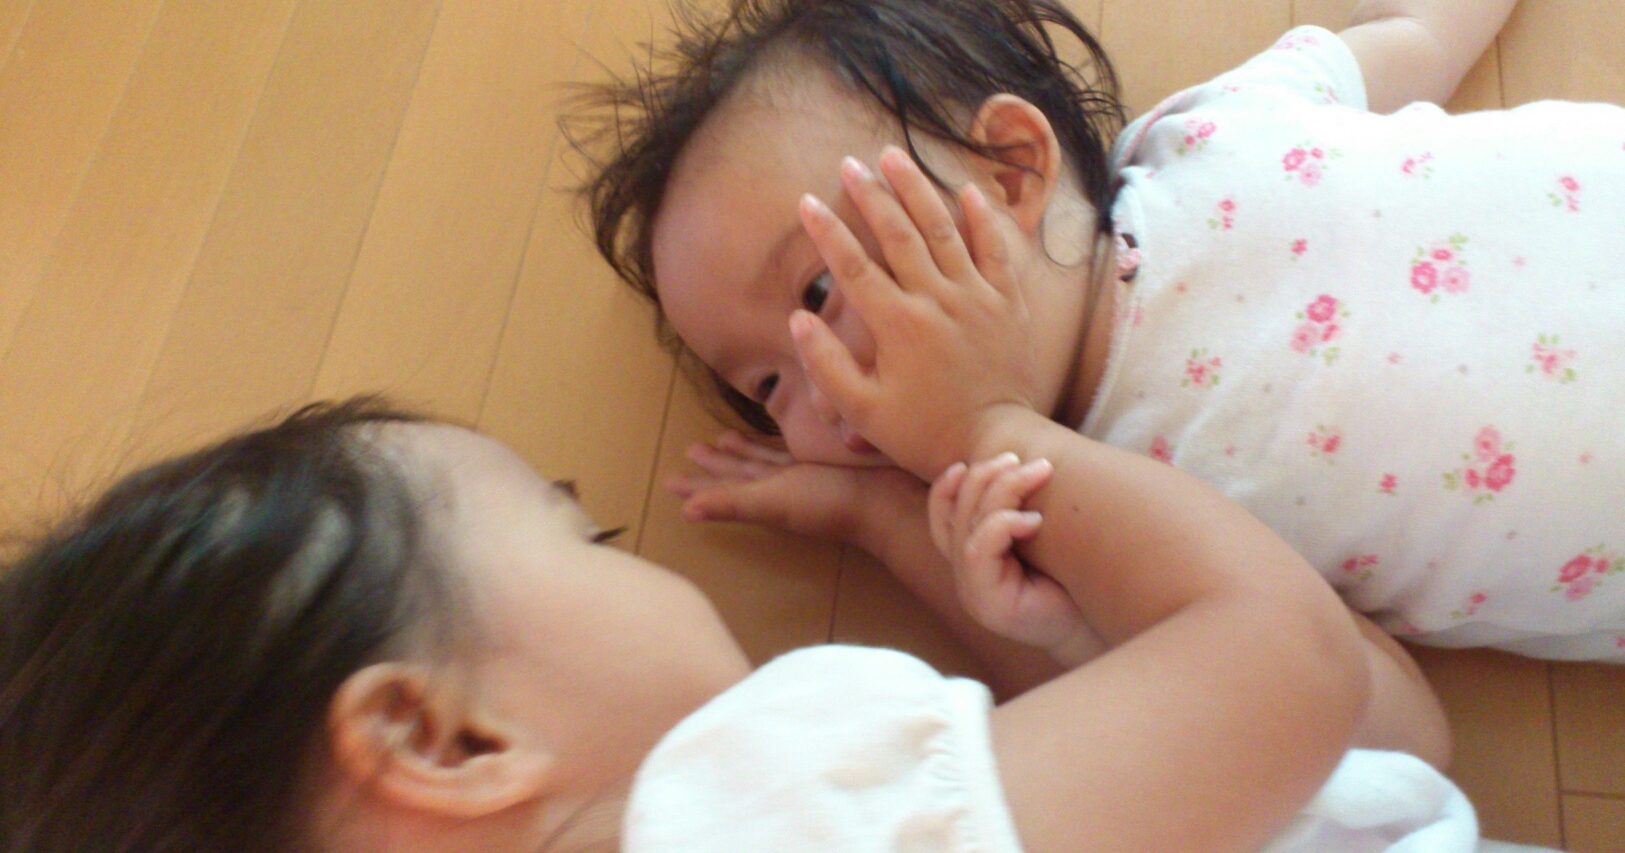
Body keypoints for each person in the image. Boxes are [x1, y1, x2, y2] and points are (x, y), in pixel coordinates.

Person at [577, 0, 1625, 686]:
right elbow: (1324, 699)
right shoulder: (1072, 522)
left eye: (819, 292)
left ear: (1010, 168)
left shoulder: (1205, 131)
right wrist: (887, 521)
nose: (824, 388)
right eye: (766, 385)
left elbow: (1412, 25)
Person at [2, 396, 1477, 853]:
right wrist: (981, 423)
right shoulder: (758, 799)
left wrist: (905, 542)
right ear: (444, 738)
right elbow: (1291, 665)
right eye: (582, 532)